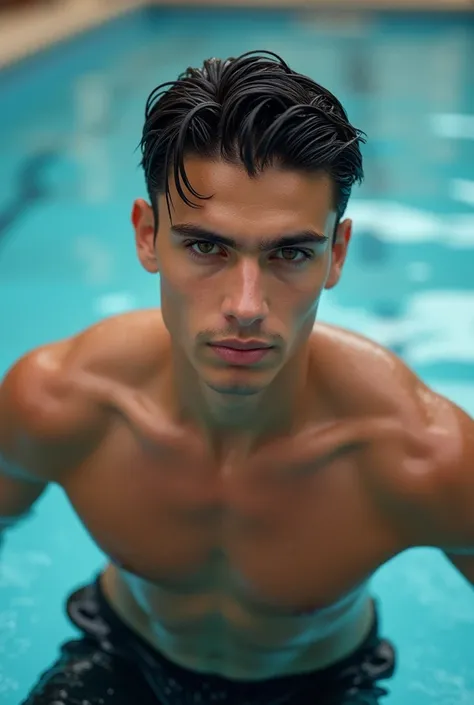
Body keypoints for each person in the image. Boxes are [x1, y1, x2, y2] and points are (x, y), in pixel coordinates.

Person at [1, 50, 473, 705]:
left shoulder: (423, 455)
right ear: (146, 236)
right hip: (119, 653)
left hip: (321, 683)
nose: (247, 305)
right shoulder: (59, 401)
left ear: (336, 254)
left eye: (290, 252)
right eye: (206, 246)